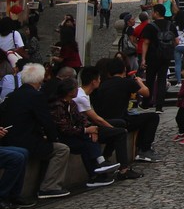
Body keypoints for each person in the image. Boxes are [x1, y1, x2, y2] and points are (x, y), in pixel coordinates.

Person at [0, 63, 72, 198]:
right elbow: (47, 122)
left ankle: (17, 194)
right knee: (61, 149)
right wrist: (53, 138)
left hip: (9, 138)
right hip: (27, 141)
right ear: (40, 80)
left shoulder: (12, 95)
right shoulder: (36, 96)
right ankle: (49, 187)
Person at [47, 76, 119, 189]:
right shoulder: (58, 106)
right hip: (62, 137)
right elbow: (64, 128)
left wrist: (91, 129)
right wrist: (86, 130)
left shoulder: (72, 104)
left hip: (73, 134)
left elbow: (81, 119)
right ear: (70, 91)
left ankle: (98, 171)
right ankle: (98, 167)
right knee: (86, 142)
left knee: (89, 139)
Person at [92, 57, 160, 163]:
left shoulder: (103, 85)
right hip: (122, 120)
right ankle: (144, 149)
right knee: (153, 117)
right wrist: (139, 81)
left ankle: (107, 155)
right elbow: (146, 93)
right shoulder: (127, 82)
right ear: (124, 70)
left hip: (105, 120)